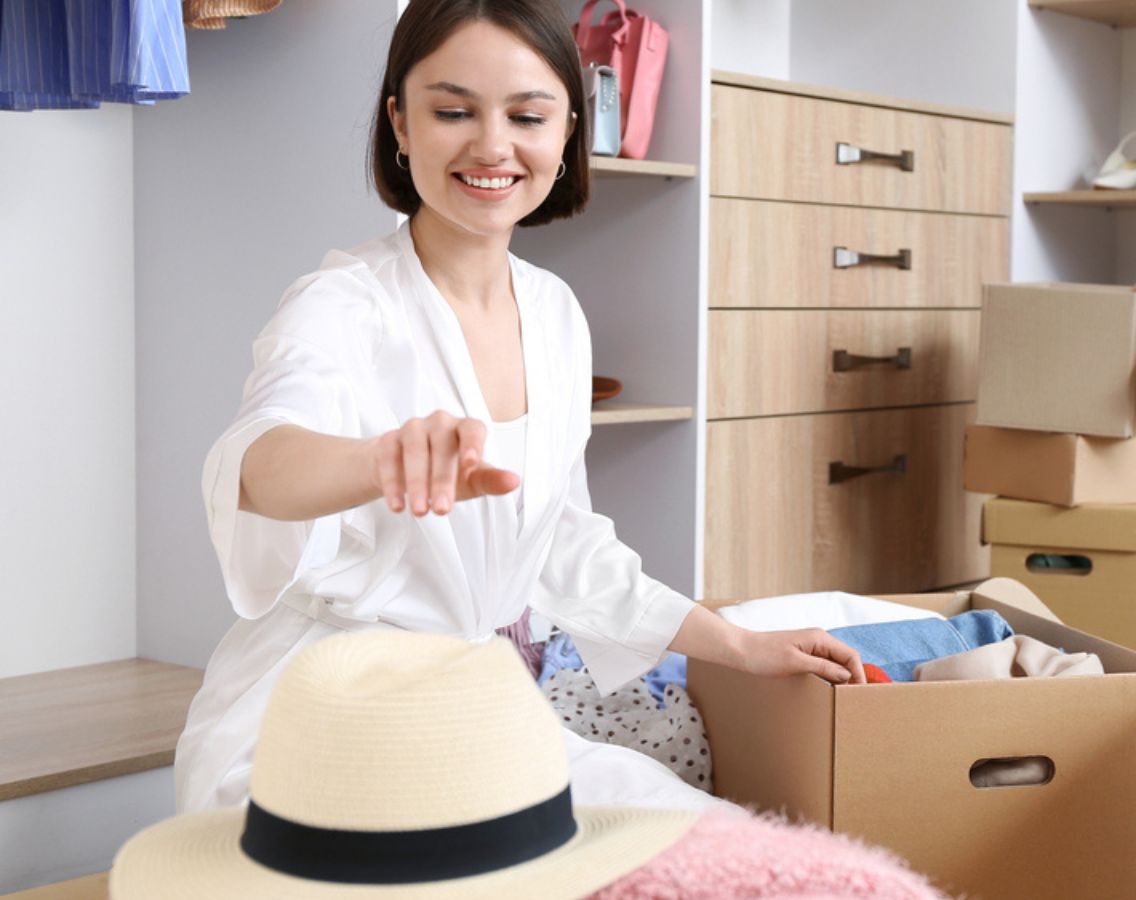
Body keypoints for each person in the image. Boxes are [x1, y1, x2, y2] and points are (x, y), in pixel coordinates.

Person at [173, 0, 865, 814]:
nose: (492, 146)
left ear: (568, 130)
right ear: (399, 122)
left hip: (477, 707)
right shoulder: (340, 305)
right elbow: (260, 466)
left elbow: (568, 546)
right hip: (321, 716)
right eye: (452, 111)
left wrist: (739, 648)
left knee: (725, 841)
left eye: (527, 115)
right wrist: (374, 461)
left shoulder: (555, 312)